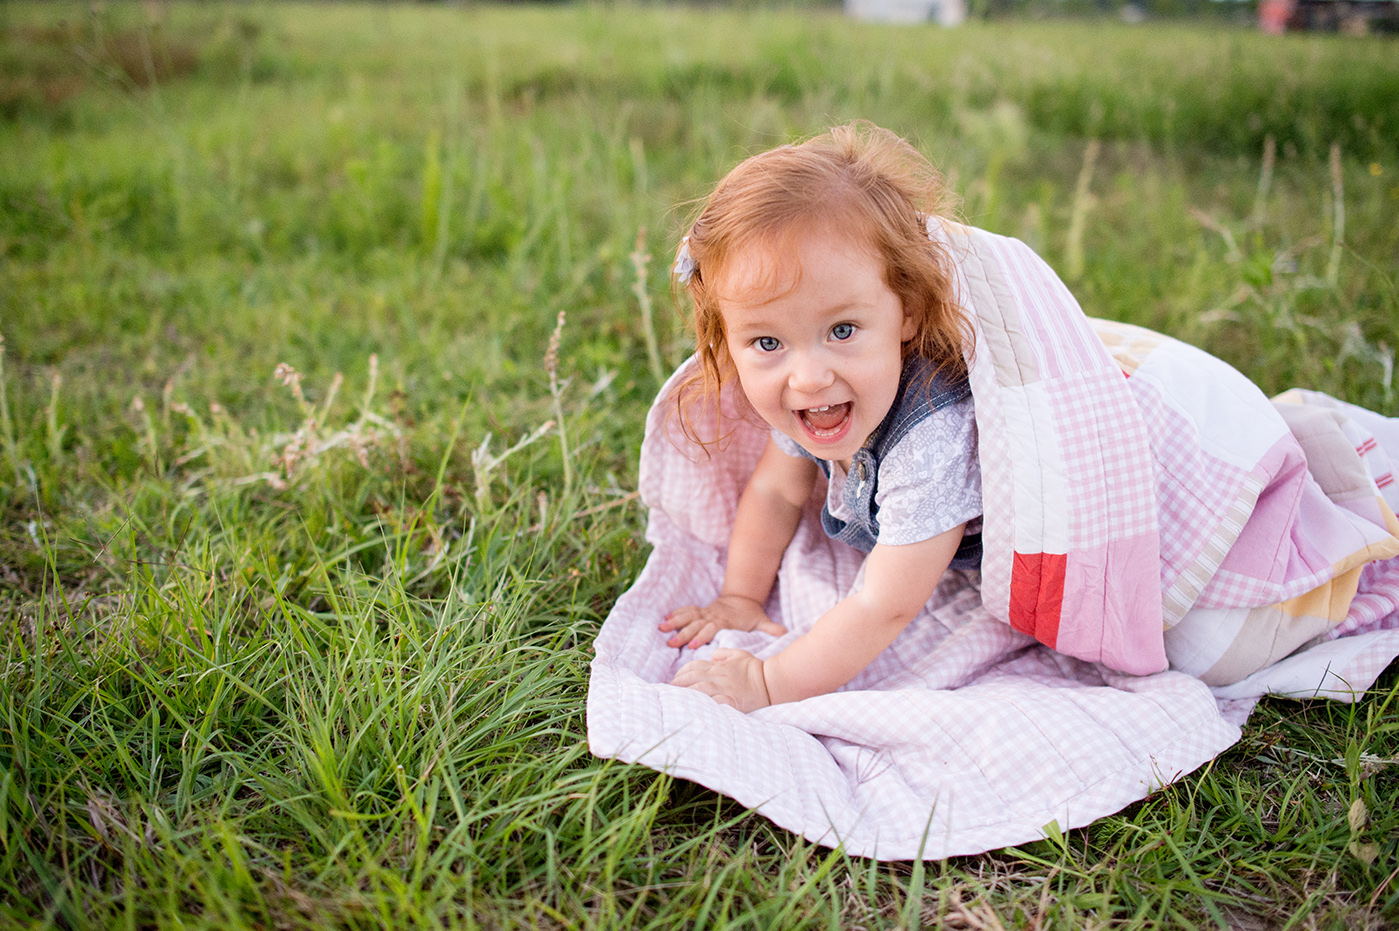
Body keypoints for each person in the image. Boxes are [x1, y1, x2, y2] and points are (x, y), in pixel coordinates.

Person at [659, 122, 983, 712]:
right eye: (766, 343)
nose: (807, 377)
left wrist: (768, 683)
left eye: (842, 330)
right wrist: (740, 598)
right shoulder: (817, 402)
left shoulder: (932, 437)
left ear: (906, 312)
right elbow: (777, 493)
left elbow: (885, 604)